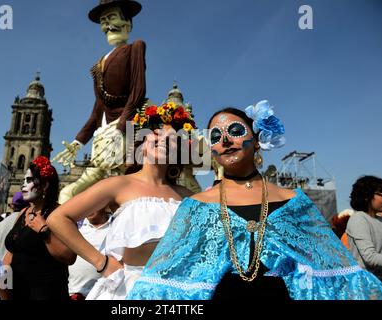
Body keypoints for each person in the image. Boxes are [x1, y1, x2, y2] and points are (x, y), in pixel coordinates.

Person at [128, 100, 382, 300]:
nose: (225, 140)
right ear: (212, 151)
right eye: (215, 137)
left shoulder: (295, 202)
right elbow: (164, 280)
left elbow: (339, 274)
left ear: (258, 140)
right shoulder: (195, 206)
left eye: (235, 131)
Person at [47, 102, 196, 300]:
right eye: (157, 134)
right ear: (142, 144)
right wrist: (101, 262)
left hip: (176, 291)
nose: (163, 140)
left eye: (173, 139)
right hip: (128, 290)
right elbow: (58, 218)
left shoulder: (187, 196)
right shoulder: (118, 184)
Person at [53, 0, 147, 204]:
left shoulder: (135, 47)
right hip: (103, 132)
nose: (107, 25)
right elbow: (98, 106)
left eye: (112, 17)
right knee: (68, 193)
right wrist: (79, 141)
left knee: (123, 185)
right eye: (103, 21)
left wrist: (121, 127)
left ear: (127, 23)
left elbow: (138, 91)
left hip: (125, 128)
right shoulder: (100, 61)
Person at [4, 156, 76, 300]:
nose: (23, 185)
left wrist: (44, 230)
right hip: (17, 291)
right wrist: (4, 287)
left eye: (29, 181)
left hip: (46, 293)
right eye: (24, 180)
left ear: (44, 185)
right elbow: (11, 253)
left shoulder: (60, 214)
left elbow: (69, 257)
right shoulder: (24, 213)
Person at [68, 208, 112, 300]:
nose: (88, 209)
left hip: (105, 293)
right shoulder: (75, 227)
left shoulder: (116, 225)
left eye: (93, 205)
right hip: (75, 294)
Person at [346, 176, 382, 281]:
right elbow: (370, 257)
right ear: (367, 196)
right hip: (367, 285)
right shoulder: (359, 219)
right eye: (381, 193)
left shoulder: (379, 220)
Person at [0, 192, 29, 261]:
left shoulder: (0, 224)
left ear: (12, 206)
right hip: (19, 264)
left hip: (2, 263)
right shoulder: (28, 221)